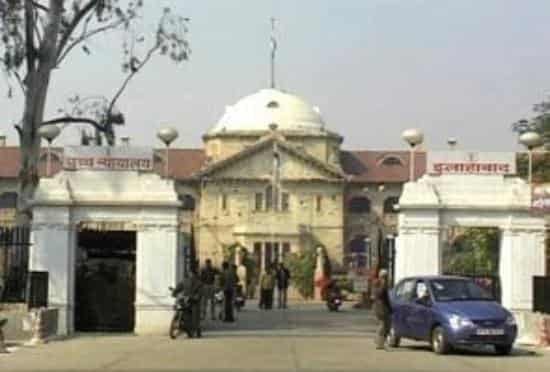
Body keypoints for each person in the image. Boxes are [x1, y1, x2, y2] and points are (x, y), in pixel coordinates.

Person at [174, 269, 204, 337]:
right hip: (184, 300)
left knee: (195, 315)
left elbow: (200, 293)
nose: (191, 275)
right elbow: (178, 288)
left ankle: (196, 329)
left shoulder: (199, 283)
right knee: (177, 306)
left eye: (192, 274)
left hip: (193, 301)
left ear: (195, 275)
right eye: (190, 274)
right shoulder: (184, 281)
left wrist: (195, 297)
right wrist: (174, 293)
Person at [373, 269, 392, 350]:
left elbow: (386, 298)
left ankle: (379, 341)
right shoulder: (378, 284)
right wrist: (383, 285)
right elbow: (379, 294)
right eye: (384, 276)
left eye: (386, 276)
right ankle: (379, 343)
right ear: (381, 276)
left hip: (385, 308)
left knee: (387, 326)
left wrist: (390, 308)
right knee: (383, 326)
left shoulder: (384, 284)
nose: (386, 278)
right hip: (380, 308)